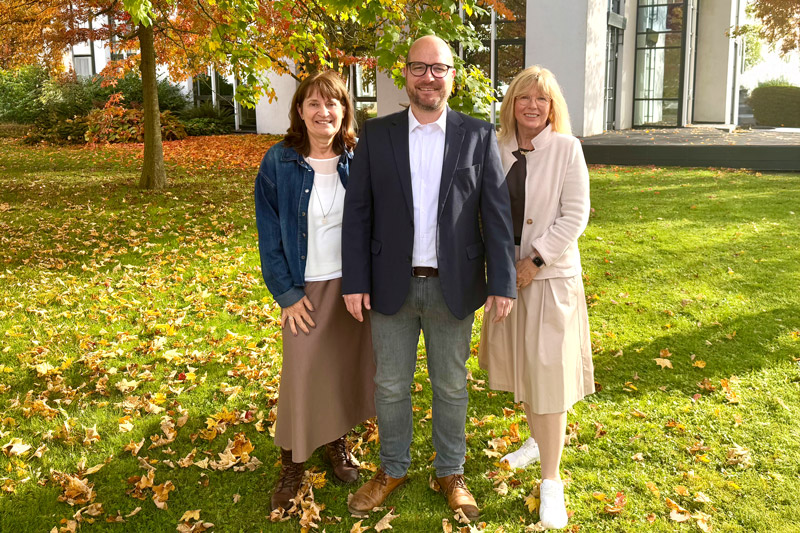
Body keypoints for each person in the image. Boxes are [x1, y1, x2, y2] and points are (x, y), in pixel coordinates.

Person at [341, 35, 516, 520]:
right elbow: (358, 212)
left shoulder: (477, 136)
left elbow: (496, 216)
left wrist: (502, 281)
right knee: (392, 385)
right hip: (388, 285)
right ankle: (392, 468)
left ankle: (450, 472)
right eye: (419, 68)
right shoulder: (378, 135)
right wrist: (355, 280)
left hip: (452, 285)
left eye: (438, 69)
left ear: (452, 76)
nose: (429, 78)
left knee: (452, 386)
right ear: (406, 74)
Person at [478, 65, 595, 530]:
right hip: (508, 280)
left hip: (548, 281)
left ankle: (552, 482)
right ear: (511, 104)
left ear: (552, 107)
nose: (532, 106)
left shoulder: (567, 149)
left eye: (541, 100)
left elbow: (575, 216)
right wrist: (500, 269)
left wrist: (535, 261)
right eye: (523, 98)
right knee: (525, 368)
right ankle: (536, 441)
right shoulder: (496, 148)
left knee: (547, 376)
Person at [254, 70, 376, 511]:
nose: (323, 112)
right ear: (300, 112)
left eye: (333, 104)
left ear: (344, 110)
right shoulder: (278, 162)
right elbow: (269, 236)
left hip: (352, 285)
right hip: (304, 288)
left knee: (340, 369)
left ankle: (334, 442)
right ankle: (291, 461)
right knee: (302, 372)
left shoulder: (358, 158)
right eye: (314, 104)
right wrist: (286, 294)